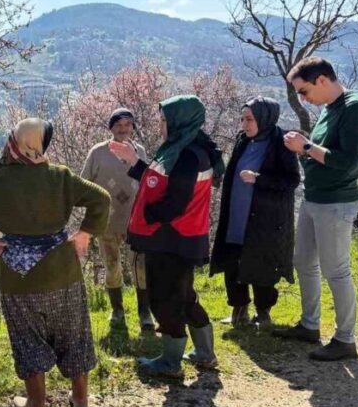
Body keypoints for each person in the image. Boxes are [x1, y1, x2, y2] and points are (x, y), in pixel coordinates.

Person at [0, 118, 110, 407]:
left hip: (18, 279)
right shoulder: (60, 177)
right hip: (64, 271)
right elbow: (100, 198)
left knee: (27, 337)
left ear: (15, 143)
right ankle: (80, 401)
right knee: (74, 334)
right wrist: (85, 234)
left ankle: (37, 405)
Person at [108, 95, 225, 377]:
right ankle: (204, 353)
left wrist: (147, 215)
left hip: (170, 240)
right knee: (184, 296)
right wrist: (135, 163)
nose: (160, 125)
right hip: (180, 239)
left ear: (178, 121)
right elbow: (160, 182)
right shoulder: (185, 148)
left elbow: (175, 202)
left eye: (164, 120)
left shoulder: (187, 155)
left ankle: (171, 362)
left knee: (165, 298)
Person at [272, 57, 358, 361]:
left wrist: (304, 147)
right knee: (303, 261)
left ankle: (345, 340)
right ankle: (310, 325)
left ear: (321, 80)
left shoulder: (355, 109)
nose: (303, 99)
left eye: (303, 92)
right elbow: (321, 155)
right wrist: (304, 148)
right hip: (314, 198)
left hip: (337, 202)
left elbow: (349, 163)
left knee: (336, 271)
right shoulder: (330, 108)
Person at [209, 96, 300, 328]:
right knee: (233, 260)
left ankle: (263, 312)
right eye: (242, 119)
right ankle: (239, 310)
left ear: (264, 118)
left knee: (262, 263)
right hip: (237, 214)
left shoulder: (281, 143)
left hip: (265, 219)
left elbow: (291, 181)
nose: (244, 124)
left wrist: (259, 179)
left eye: (249, 119)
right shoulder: (243, 141)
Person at [80, 108, 156, 332]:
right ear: (111, 128)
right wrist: (92, 208)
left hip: (136, 220)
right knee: (112, 266)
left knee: (140, 266)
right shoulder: (98, 152)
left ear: (133, 127)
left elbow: (148, 181)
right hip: (108, 220)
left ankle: (145, 311)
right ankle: (117, 310)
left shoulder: (139, 150)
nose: (123, 130)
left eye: (128, 125)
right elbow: (84, 183)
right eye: (118, 125)